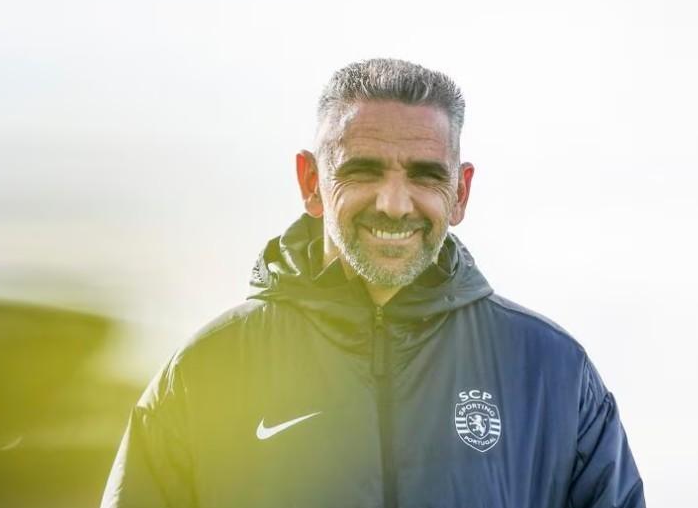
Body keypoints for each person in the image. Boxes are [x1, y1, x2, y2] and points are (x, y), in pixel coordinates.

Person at [101, 58, 645, 508]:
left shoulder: (552, 373)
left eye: (425, 175)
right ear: (311, 183)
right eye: (363, 171)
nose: (394, 203)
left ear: (460, 193)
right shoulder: (204, 373)